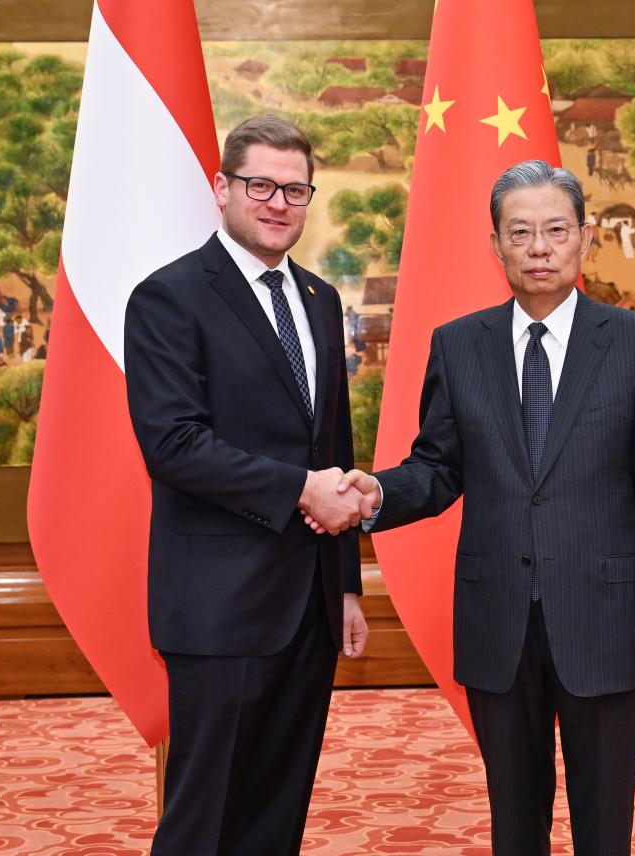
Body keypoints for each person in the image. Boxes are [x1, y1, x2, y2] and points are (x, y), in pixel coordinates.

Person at [319, 160, 635, 856]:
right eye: (520, 232)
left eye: (556, 230)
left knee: (604, 820)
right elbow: (438, 469)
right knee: (514, 820)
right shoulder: (460, 345)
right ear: (495, 245)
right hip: (498, 619)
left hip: (606, 617)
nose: (539, 248)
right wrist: (378, 493)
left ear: (585, 238)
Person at [124, 115, 370, 856]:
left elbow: (334, 447)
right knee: (203, 822)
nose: (278, 203)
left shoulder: (320, 299)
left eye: (295, 190)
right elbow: (173, 444)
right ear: (222, 188)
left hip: (310, 607)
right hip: (219, 608)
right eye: (260, 185)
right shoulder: (169, 297)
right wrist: (299, 489)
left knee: (276, 816)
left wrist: (346, 584)